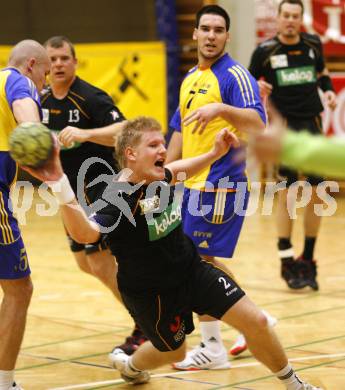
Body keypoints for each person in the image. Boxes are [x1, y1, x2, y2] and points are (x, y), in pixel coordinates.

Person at [24, 116, 322, 390]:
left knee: (256, 322)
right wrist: (61, 188)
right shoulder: (116, 195)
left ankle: (295, 385)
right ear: (130, 154)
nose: (162, 149)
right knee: (174, 351)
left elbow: (177, 171)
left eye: (162, 143)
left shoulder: (156, 176)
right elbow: (86, 233)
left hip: (191, 271)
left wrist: (213, 155)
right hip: (151, 292)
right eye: (153, 145)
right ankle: (131, 367)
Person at [167, 5, 275, 368]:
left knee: (193, 262)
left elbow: (259, 123)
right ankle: (253, 318)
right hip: (193, 184)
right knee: (202, 260)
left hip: (222, 183)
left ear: (227, 36)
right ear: (195, 34)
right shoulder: (189, 79)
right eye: (205, 29)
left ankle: (213, 346)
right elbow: (180, 130)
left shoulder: (234, 75)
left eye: (218, 30)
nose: (211, 35)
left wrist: (221, 110)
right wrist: (164, 176)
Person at [42, 36, 146, 354]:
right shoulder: (43, 102)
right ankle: (148, 303)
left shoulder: (89, 97)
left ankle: (145, 323)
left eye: (64, 58)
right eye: (53, 60)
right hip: (68, 194)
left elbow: (127, 129)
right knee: (85, 264)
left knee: (99, 263)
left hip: (98, 190)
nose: (58, 64)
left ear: (74, 62)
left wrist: (86, 133)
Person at [248, 0, 337, 291]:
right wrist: (258, 89)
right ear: (278, 18)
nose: (289, 21)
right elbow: (248, 83)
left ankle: (309, 258)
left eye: (295, 16)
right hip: (283, 130)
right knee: (287, 193)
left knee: (316, 193)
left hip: (311, 126)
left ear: (301, 19)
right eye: (285, 16)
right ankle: (286, 256)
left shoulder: (313, 43)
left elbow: (322, 74)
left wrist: (329, 92)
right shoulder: (265, 51)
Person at [0, 40, 50, 390]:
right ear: (32, 64)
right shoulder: (19, 81)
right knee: (20, 288)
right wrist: (39, 137)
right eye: (44, 74)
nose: (44, 85)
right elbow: (29, 126)